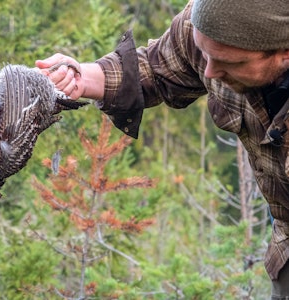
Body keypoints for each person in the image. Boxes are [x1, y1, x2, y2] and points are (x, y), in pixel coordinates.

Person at [35, 0, 289, 298]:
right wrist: (79, 78)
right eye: (204, 53)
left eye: (230, 64)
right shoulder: (207, 25)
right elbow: (157, 67)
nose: (209, 71)